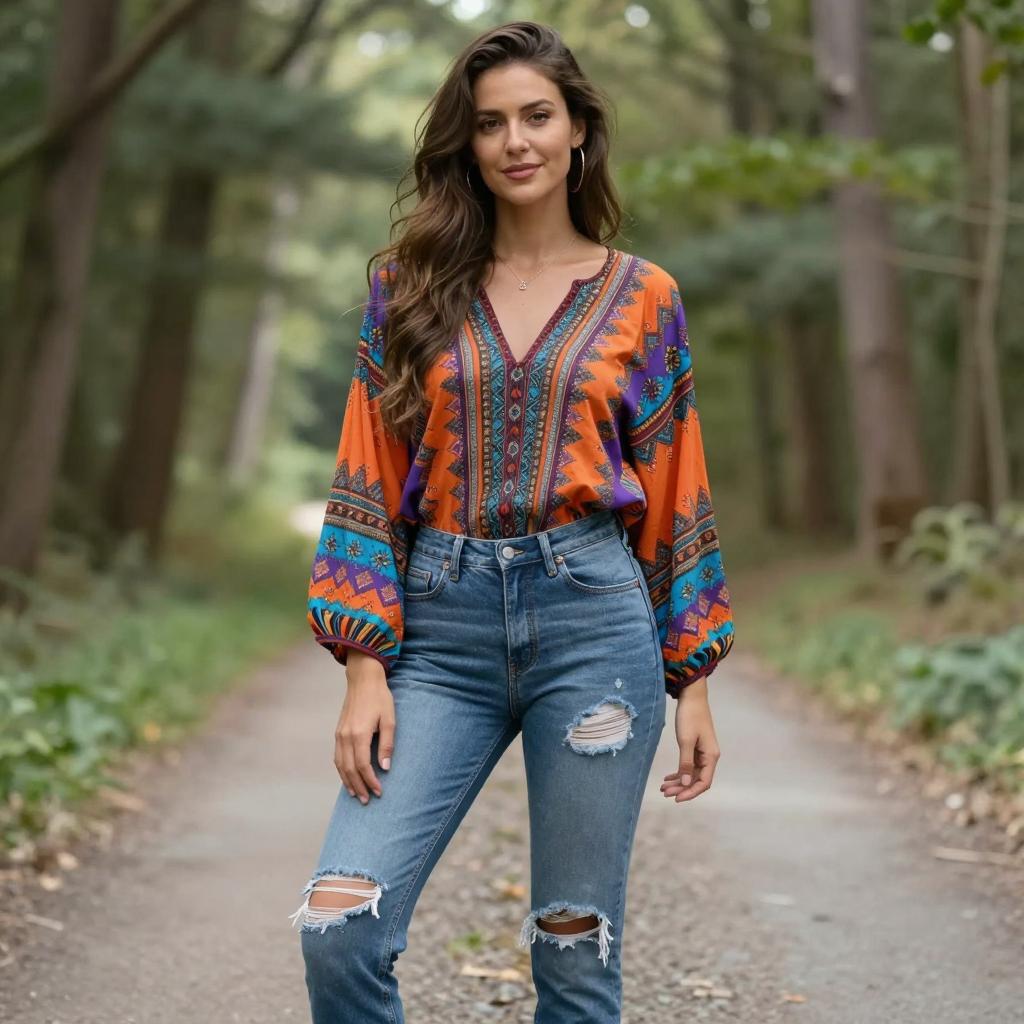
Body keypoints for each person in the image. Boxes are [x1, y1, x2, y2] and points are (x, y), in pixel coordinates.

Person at [290, 20, 735, 1024]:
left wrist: (693, 676)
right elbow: (366, 467)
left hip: (595, 627)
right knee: (339, 922)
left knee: (574, 953)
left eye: (537, 116)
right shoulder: (406, 289)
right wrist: (365, 662)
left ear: (580, 129)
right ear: (467, 142)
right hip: (439, 631)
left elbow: (675, 486)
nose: (515, 141)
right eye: (489, 124)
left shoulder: (644, 296)